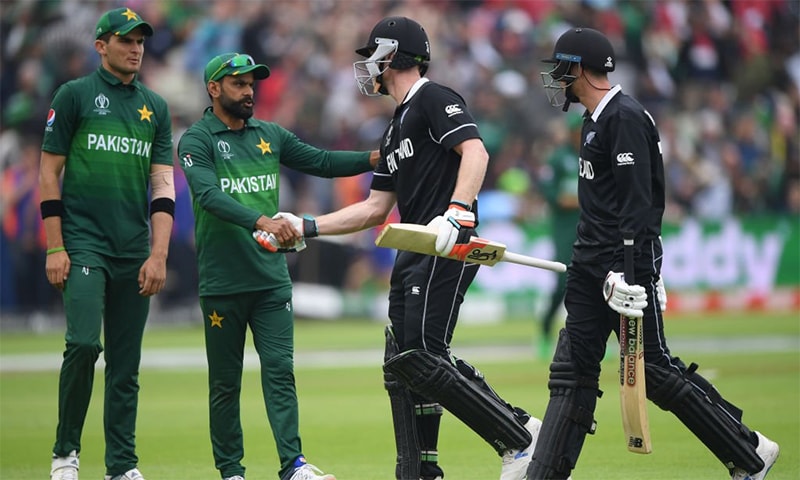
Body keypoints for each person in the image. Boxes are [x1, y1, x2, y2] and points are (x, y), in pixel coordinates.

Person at [260, 16, 541, 480]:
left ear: (391, 54)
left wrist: (458, 210)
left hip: (446, 242)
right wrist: (306, 225)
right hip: (413, 246)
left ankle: (519, 439)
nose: (366, 66)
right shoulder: (394, 126)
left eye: (371, 54)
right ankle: (419, 470)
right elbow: (374, 208)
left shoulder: (434, 97)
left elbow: (476, 152)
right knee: (402, 362)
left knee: (423, 356)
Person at [527, 27, 780, 480]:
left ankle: (750, 454)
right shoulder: (592, 121)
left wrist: (634, 273)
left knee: (655, 373)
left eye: (562, 68)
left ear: (580, 68)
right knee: (571, 371)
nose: (557, 78)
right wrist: (594, 265)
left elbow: (639, 206)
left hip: (622, 271)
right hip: (589, 266)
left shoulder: (625, 117)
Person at [177, 52, 379, 480]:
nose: (249, 91)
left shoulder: (268, 133)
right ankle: (231, 471)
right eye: (238, 83)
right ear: (213, 89)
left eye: (252, 83)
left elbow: (322, 162)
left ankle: (294, 466)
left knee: (280, 373)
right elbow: (208, 196)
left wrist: (372, 159)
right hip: (222, 284)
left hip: (270, 280)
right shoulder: (196, 141)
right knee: (225, 384)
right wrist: (262, 220)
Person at [40, 8, 174, 480]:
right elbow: (49, 171)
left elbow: (162, 186)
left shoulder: (155, 107)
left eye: (140, 41)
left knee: (126, 365)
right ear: (101, 46)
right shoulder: (74, 95)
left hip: (134, 246)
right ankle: (65, 455)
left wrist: (158, 254)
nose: (135, 48)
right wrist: (55, 246)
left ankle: (121, 467)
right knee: (81, 344)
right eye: (125, 40)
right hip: (82, 243)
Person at [535, 113, 581, 360]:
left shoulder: (592, 155)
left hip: (590, 228)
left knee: (592, 285)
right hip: (564, 231)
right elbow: (553, 194)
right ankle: (543, 332)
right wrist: (573, 201)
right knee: (563, 283)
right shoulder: (558, 158)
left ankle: (589, 341)